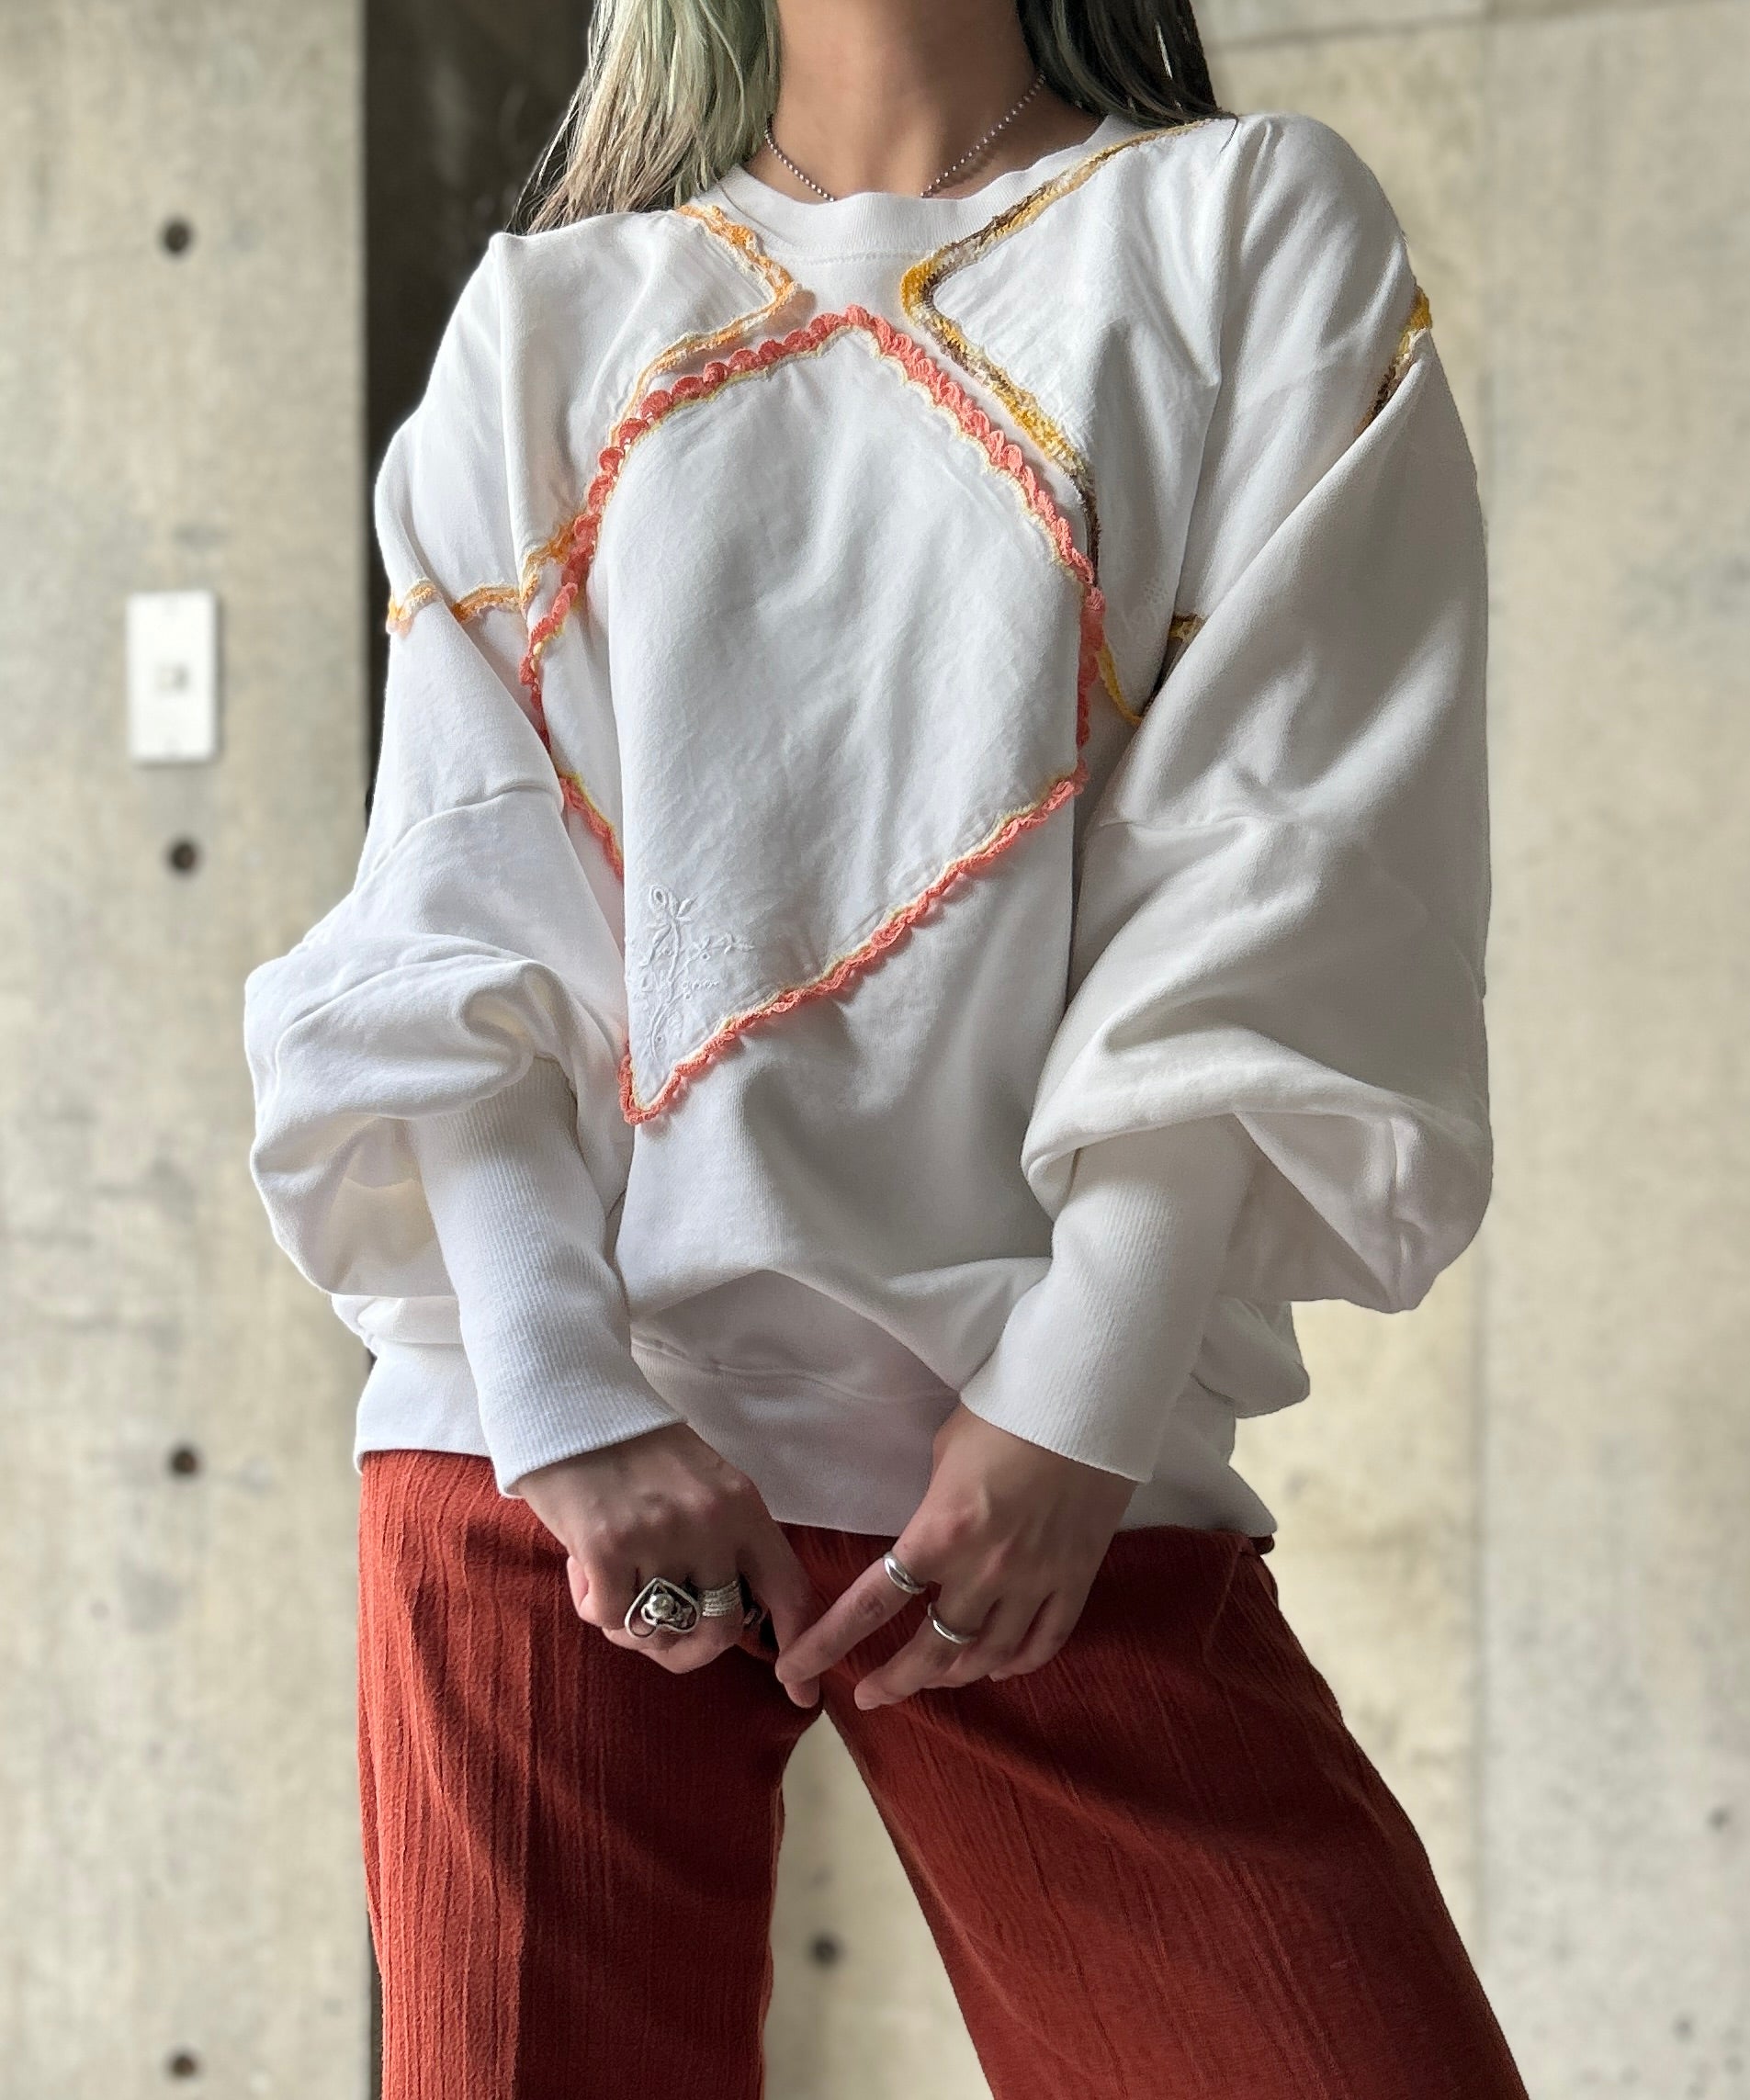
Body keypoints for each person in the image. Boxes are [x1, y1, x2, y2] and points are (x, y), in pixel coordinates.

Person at [244, 0, 1530, 2093]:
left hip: (1044, 1469)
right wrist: (563, 1406)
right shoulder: (552, 313)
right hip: (545, 1469)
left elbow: (1281, 862)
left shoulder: (1238, 227)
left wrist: (1074, 1408)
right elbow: (457, 921)